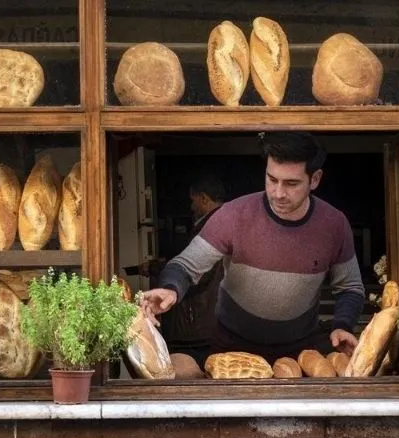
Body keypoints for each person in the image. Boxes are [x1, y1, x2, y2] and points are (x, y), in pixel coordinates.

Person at [142, 132, 365, 365]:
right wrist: (171, 288)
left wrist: (343, 325)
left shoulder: (334, 224)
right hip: (230, 349)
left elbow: (350, 287)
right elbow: (185, 265)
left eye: (291, 183)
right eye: (272, 179)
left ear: (315, 179)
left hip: (299, 354)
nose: (278, 193)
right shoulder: (233, 215)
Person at [155, 173, 230, 366]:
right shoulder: (225, 221)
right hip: (210, 321)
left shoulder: (212, 226)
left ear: (204, 198)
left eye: (193, 200)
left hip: (199, 322)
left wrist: (164, 273)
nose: (191, 206)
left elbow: (198, 271)